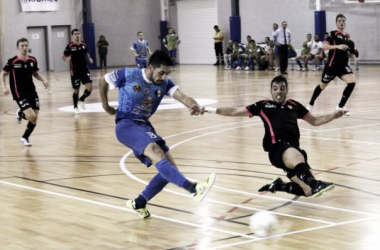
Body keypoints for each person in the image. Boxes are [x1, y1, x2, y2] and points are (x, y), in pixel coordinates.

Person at [98, 50, 216, 218]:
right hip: (126, 124)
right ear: (150, 67)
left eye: (167, 73)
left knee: (169, 170)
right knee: (157, 153)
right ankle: (193, 189)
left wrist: (193, 104)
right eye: (161, 73)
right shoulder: (129, 74)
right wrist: (106, 106)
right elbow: (102, 80)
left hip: (145, 126)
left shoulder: (165, 84)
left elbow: (183, 97)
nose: (163, 77)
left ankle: (139, 203)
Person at [205, 75, 347, 198]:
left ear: (287, 90)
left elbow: (315, 121)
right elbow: (235, 111)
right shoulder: (263, 106)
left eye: (282, 88)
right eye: (275, 88)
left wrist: (333, 116)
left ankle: (279, 186)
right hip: (277, 149)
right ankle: (316, 183)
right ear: (271, 91)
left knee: (308, 191)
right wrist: (211, 110)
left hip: (293, 150)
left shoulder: (295, 106)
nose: (278, 92)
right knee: (299, 161)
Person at [307, 14, 358, 116]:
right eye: (339, 20)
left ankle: (340, 106)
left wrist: (350, 55)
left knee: (352, 82)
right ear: (336, 22)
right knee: (322, 86)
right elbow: (324, 46)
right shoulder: (333, 34)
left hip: (343, 66)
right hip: (332, 66)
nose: (342, 22)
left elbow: (347, 52)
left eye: (343, 20)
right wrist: (337, 46)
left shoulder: (347, 37)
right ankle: (310, 105)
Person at [0, 38, 48, 146]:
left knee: (35, 118)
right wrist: (4, 87)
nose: (24, 48)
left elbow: (35, 73)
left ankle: (25, 137)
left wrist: (43, 80)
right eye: (22, 46)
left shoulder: (33, 60)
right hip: (18, 92)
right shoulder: (12, 61)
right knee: (31, 116)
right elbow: (2, 74)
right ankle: (21, 112)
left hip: (31, 91)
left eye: (26, 45)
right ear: (17, 48)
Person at [62, 29, 94, 114]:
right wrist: (66, 58)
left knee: (90, 88)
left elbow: (86, 53)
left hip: (84, 69)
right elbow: (63, 56)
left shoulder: (83, 44)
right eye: (75, 34)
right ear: (72, 35)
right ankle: (75, 107)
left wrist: (89, 58)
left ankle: (82, 98)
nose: (77, 35)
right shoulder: (70, 46)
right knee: (76, 90)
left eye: (78, 33)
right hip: (75, 71)